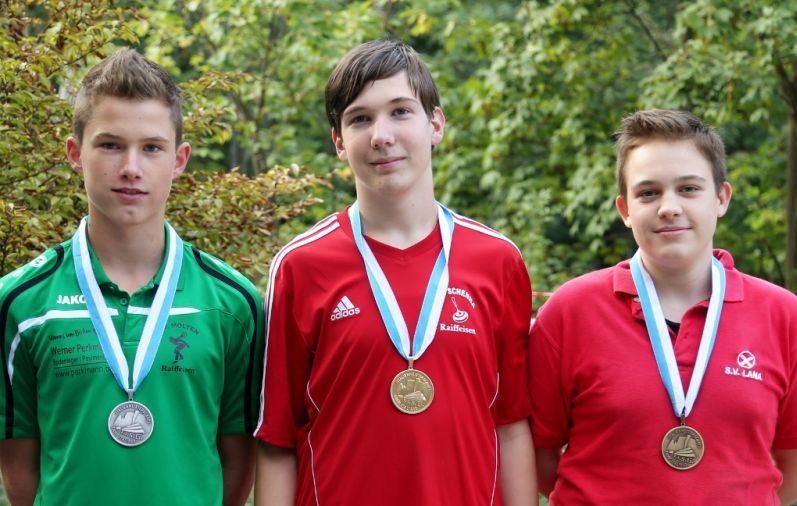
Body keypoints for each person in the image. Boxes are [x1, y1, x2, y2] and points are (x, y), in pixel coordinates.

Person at [254, 40, 535, 505]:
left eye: (400, 111)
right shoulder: (301, 266)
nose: (381, 135)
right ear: (339, 142)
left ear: (435, 124)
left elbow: (511, 424)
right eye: (360, 119)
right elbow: (277, 441)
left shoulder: (497, 260)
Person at [0, 48, 265, 505]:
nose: (130, 168)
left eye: (152, 148)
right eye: (110, 145)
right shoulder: (20, 300)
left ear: (179, 159)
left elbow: (237, 463)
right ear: (75, 154)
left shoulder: (233, 304)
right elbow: (20, 469)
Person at [529, 109, 797, 504]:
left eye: (688, 188)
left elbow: (792, 462)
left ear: (721, 198)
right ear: (624, 210)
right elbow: (538, 456)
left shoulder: (784, 316)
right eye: (648, 193)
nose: (668, 207)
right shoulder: (570, 311)